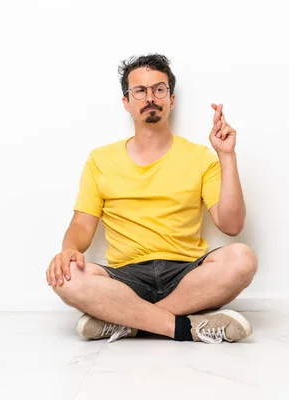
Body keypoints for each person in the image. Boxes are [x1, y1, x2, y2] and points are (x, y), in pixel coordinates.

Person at [45, 54, 257, 344]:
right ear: (126, 102)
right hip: (125, 279)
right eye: (140, 91)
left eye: (158, 89)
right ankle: (186, 327)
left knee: (242, 258)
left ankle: (126, 322)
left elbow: (232, 225)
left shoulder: (199, 157)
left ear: (171, 99)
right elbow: (82, 224)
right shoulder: (100, 159)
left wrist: (227, 156)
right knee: (67, 275)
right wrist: (68, 249)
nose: (150, 98)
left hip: (185, 275)